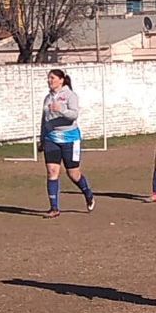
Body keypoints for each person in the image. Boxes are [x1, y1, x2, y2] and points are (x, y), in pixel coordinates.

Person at [40, 68, 95, 218]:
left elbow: (74, 115)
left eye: (52, 78)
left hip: (70, 138)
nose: (49, 80)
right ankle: (54, 208)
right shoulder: (48, 98)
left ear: (61, 80)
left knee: (73, 173)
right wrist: (42, 137)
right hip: (51, 138)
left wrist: (61, 109)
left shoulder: (70, 96)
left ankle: (88, 193)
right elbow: (44, 119)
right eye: (48, 78)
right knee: (52, 172)